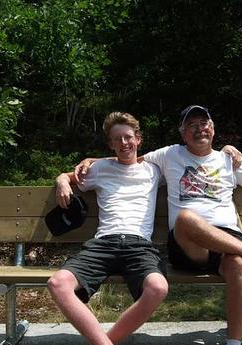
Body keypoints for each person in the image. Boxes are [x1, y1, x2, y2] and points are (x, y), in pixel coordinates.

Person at [77, 105, 242, 345]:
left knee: (237, 262)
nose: (199, 129)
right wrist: (91, 160)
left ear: (213, 130)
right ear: (183, 134)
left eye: (204, 124)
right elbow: (128, 156)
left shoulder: (228, 159)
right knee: (185, 218)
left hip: (228, 240)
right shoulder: (169, 154)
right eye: (192, 126)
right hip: (188, 245)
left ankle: (235, 342)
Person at [47, 112, 169, 345]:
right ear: (110, 144)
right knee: (58, 283)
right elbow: (70, 176)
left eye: (128, 137)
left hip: (139, 246)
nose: (124, 143)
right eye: (118, 139)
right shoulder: (100, 168)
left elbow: (188, 161)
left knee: (158, 287)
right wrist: (62, 180)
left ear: (138, 139)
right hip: (103, 243)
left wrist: (228, 151)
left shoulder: (155, 170)